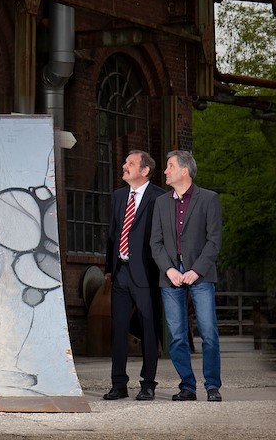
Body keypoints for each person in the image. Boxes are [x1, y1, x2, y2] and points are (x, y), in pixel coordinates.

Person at [150, 149, 224, 402]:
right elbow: (155, 243)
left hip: (200, 275)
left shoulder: (209, 199)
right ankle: (187, 387)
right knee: (178, 334)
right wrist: (169, 270)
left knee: (208, 332)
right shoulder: (160, 203)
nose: (165, 171)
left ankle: (212, 386)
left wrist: (196, 270)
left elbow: (214, 241)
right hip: (169, 276)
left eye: (170, 166)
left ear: (184, 170)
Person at [102, 150, 166, 401]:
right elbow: (112, 234)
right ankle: (118, 384)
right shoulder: (118, 197)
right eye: (125, 162)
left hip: (147, 274)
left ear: (145, 170)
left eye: (130, 163)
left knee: (149, 329)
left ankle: (148, 384)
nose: (124, 166)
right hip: (120, 273)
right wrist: (109, 268)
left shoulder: (160, 197)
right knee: (118, 329)